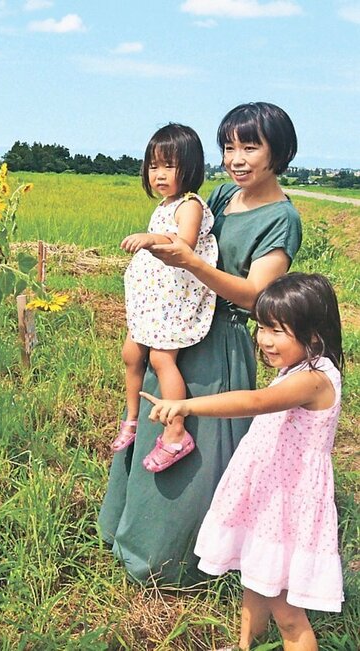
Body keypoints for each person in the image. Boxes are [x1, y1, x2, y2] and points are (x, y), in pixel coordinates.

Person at [99, 101, 302, 586]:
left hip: (220, 343)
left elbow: (255, 296)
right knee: (155, 429)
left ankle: (178, 563)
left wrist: (190, 264)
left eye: (250, 147)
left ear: (280, 152)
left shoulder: (281, 219)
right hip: (178, 325)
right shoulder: (221, 196)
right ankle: (132, 536)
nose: (236, 158)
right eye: (229, 146)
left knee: (200, 459)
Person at [143, 273, 344, 651]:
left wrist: (185, 404)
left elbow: (254, 403)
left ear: (314, 335)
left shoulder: (314, 379)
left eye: (278, 330)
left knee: (288, 614)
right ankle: (244, 645)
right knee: (254, 580)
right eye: (262, 327)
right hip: (269, 493)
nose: (265, 340)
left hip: (289, 502)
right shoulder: (296, 368)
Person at [113, 124, 218, 473]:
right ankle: (132, 417)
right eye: (154, 166)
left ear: (190, 168)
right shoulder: (166, 203)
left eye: (169, 166)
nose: (159, 174)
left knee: (161, 359)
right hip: (152, 301)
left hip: (173, 302)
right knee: (131, 353)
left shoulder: (190, 205)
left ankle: (176, 432)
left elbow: (184, 243)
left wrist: (149, 237)